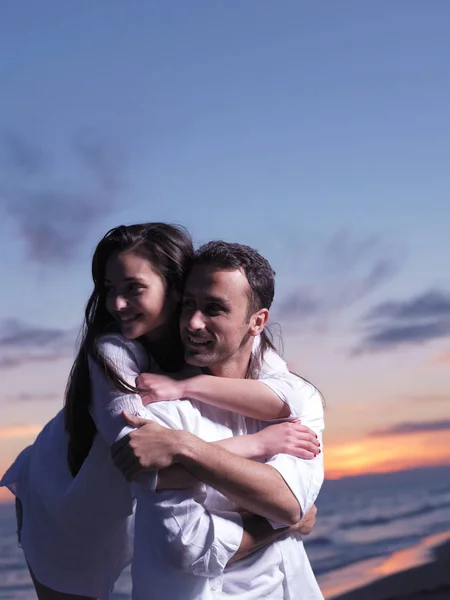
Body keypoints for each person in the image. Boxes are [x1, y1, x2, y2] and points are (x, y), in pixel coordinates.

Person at [1, 224, 320, 600]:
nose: (117, 304)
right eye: (109, 289)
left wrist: (189, 390)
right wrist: (257, 448)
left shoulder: (235, 345)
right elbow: (144, 455)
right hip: (62, 503)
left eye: (134, 287)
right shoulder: (114, 353)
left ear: (173, 287)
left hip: (125, 505)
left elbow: (291, 397)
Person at [110, 241, 325, 600]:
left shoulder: (294, 400)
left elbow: (287, 500)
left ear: (257, 321)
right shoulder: (157, 408)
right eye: (188, 306)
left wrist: (184, 447)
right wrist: (283, 521)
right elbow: (191, 546)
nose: (193, 323)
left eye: (214, 309)